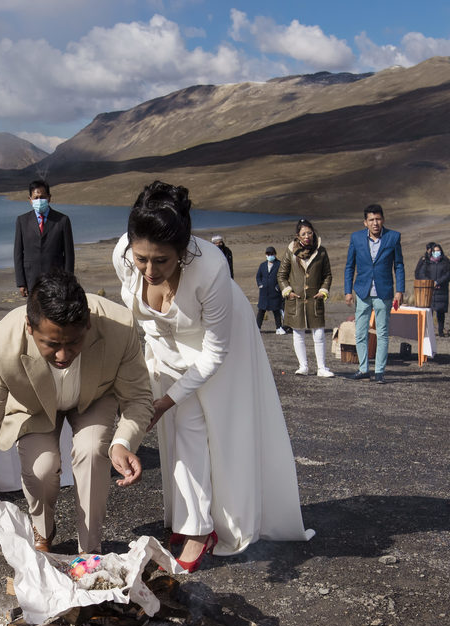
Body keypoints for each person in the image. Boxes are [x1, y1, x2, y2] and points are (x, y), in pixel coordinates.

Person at [112, 181, 312, 572]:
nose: (149, 270)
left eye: (162, 261)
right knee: (176, 430)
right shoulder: (123, 253)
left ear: (183, 252)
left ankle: (204, 530)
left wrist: (167, 399)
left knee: (204, 431)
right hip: (165, 348)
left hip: (219, 349)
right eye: (142, 260)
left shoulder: (212, 269)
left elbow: (216, 352)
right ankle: (188, 520)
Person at [0, 271, 153, 554]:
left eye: (73, 343)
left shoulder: (120, 326)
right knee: (41, 468)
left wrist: (123, 442)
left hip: (95, 398)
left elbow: (138, 398)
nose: (63, 356)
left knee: (91, 451)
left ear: (88, 323)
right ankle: (44, 529)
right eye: (51, 344)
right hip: (34, 406)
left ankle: (90, 550)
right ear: (29, 327)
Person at [344, 203, 404, 383]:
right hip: (362, 291)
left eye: (378, 219)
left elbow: (399, 266)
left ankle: (379, 371)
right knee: (360, 332)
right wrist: (348, 291)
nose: (375, 223)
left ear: (383, 219)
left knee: (382, 332)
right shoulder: (356, 238)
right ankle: (363, 369)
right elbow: (349, 266)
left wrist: (399, 291)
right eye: (371, 220)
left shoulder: (393, 237)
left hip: (383, 291)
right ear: (365, 222)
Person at [279, 218, 334, 377]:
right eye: (303, 233)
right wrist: (287, 291)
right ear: (298, 235)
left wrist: (323, 290)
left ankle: (321, 368)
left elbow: (327, 275)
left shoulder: (321, 251)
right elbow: (281, 275)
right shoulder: (290, 251)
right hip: (296, 299)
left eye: (309, 232)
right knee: (298, 334)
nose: (307, 236)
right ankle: (303, 366)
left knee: (319, 334)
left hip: (314, 299)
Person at [13, 180, 74, 297]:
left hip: (57, 281)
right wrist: (21, 282)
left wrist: (68, 281)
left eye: (42, 197)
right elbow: (18, 253)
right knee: (34, 314)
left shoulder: (62, 220)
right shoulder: (22, 221)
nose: (39, 201)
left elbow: (69, 254)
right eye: (36, 198)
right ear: (30, 199)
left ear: (49, 198)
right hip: (32, 281)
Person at [414, 242, 450, 337]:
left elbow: (448, 273)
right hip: (428, 290)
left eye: (438, 251)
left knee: (441, 311)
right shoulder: (426, 261)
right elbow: (420, 273)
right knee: (428, 311)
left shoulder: (445, 261)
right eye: (434, 251)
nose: (436, 252)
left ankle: (440, 331)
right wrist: (430, 282)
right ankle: (427, 331)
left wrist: (438, 282)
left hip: (441, 290)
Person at [254, 246, 283, 333]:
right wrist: (260, 284)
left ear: (275, 254)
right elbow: (258, 276)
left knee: (276, 310)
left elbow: (283, 277)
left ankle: (279, 328)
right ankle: (257, 328)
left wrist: (278, 286)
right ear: (266, 255)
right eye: (268, 254)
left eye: (272, 254)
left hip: (275, 292)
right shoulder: (262, 265)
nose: (270, 255)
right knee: (261, 311)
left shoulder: (279, 264)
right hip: (264, 292)